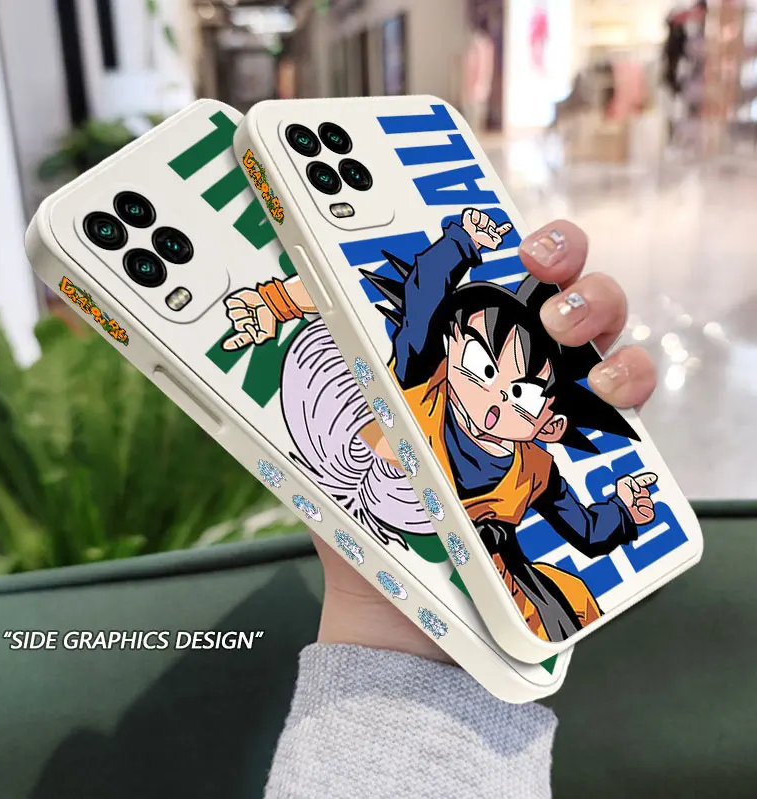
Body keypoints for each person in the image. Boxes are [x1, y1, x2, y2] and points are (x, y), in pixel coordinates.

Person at [260, 221, 657, 798]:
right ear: (450, 351)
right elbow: (424, 295)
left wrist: (626, 510)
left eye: (522, 394)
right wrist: (462, 242)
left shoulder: (536, 467)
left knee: (562, 608)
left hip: (512, 597)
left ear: (549, 419)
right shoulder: (417, 387)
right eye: (482, 368)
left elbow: (587, 530)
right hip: (404, 593)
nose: (496, 399)